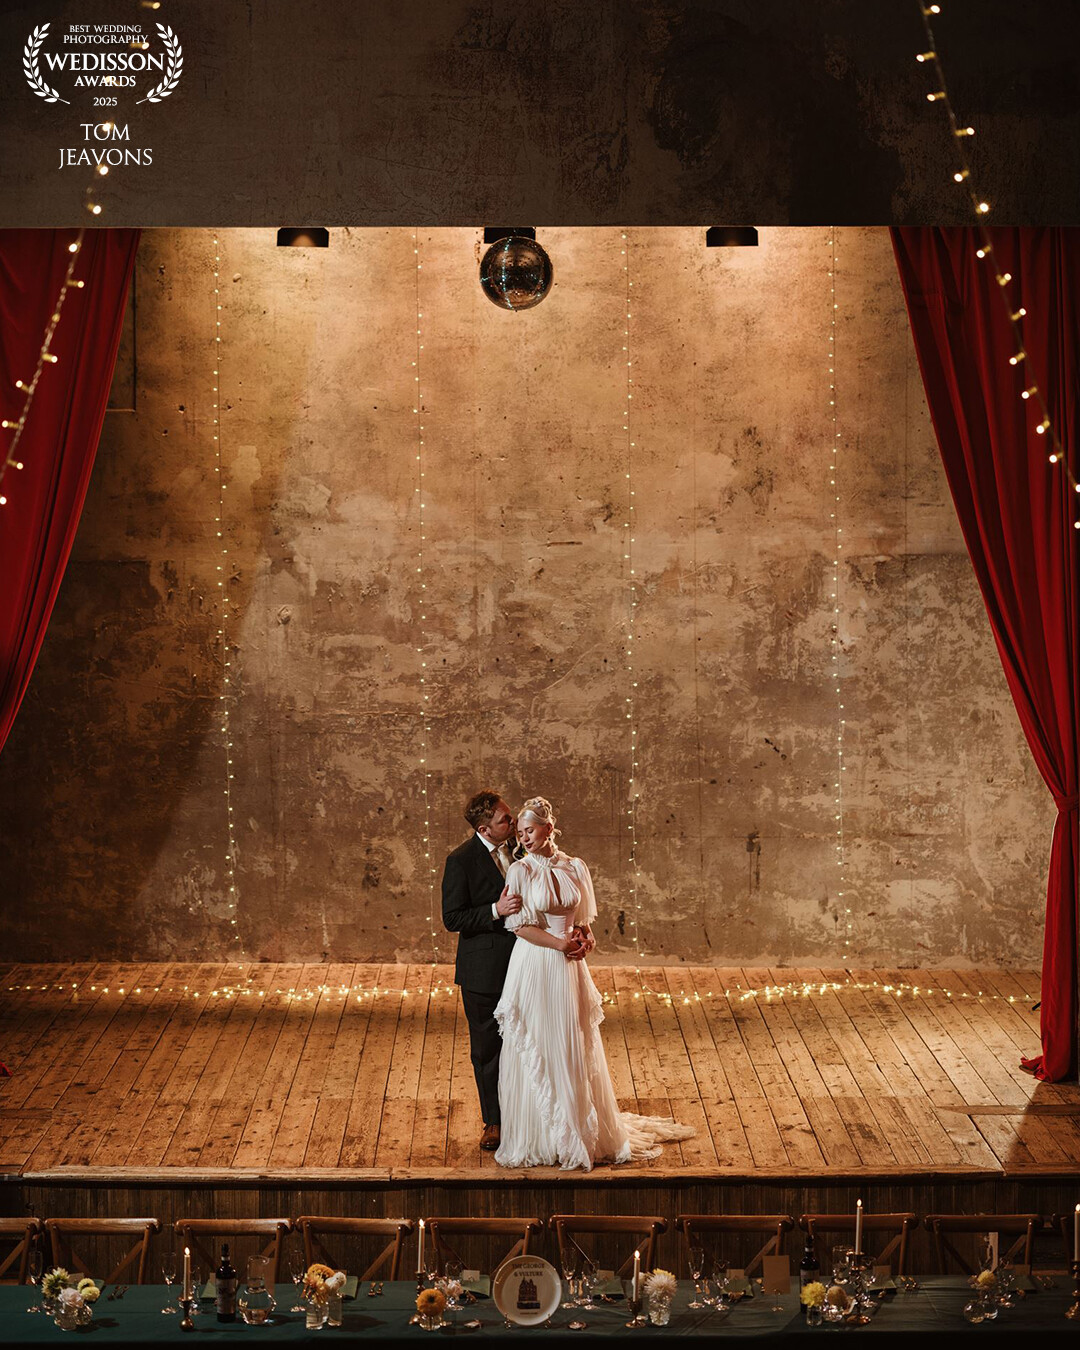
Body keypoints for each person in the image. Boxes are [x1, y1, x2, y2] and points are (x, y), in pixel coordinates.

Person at [494, 796, 693, 1170]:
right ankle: (545, 1134)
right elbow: (519, 926)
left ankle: (578, 1127)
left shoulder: (575, 867)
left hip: (569, 967)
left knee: (572, 1039)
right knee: (542, 1039)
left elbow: (582, 920)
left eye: (530, 830)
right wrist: (560, 944)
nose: (524, 838)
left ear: (548, 828)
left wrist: (585, 941)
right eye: (520, 833)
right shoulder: (520, 871)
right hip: (537, 963)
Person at [440, 790, 525, 1152]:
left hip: (526, 963)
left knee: (527, 1042)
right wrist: (495, 910)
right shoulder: (460, 860)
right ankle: (494, 1121)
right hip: (483, 972)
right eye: (505, 819)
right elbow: (452, 918)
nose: (513, 821)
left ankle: (529, 1116)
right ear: (484, 829)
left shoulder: (521, 850)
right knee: (488, 1049)